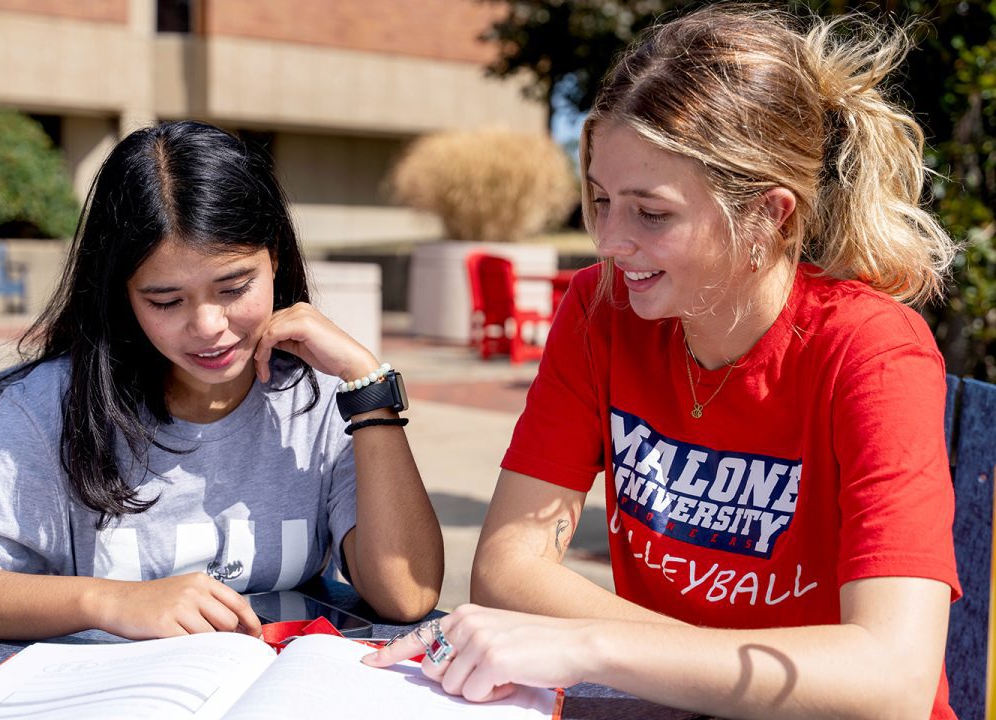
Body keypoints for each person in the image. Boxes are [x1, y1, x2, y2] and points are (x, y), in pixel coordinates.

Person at [365, 5, 960, 718]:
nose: (610, 242)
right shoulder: (600, 311)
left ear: (768, 215)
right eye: (601, 200)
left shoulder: (873, 352)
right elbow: (505, 567)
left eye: (652, 214)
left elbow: (891, 680)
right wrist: (705, 674)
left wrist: (595, 646)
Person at [0, 121, 443, 640]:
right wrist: (108, 600)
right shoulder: (49, 406)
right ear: (122, 294)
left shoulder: (325, 398)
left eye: (235, 288)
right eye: (166, 301)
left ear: (275, 259)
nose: (208, 327)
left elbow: (407, 594)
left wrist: (366, 384)